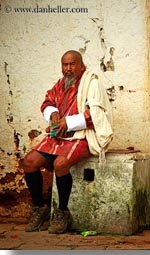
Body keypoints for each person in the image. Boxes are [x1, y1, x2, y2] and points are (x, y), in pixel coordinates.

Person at [23, 50, 113, 234]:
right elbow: (47, 102)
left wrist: (69, 122)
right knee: (29, 162)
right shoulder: (60, 83)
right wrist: (52, 113)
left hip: (82, 135)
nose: (68, 69)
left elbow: (97, 115)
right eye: (65, 65)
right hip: (59, 135)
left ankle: (62, 211)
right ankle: (39, 208)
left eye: (72, 64)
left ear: (81, 65)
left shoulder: (92, 83)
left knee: (60, 163)